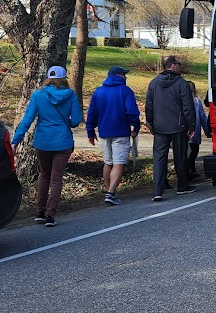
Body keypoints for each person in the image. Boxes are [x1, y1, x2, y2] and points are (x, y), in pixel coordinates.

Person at [12, 65, 83, 227]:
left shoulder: (38, 95)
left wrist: (16, 141)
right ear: (64, 78)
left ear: (47, 78)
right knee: (56, 178)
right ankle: (51, 215)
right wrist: (67, 121)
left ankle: (40, 212)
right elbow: (76, 121)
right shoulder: (70, 95)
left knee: (44, 175)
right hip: (63, 141)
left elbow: (27, 119)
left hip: (43, 142)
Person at [86, 65, 141, 206]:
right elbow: (132, 112)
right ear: (118, 75)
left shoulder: (99, 92)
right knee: (118, 163)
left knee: (108, 162)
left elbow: (92, 113)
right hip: (121, 131)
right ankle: (111, 193)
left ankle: (109, 190)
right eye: (124, 74)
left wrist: (90, 131)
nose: (126, 77)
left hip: (104, 132)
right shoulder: (125, 91)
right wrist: (135, 126)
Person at [145, 55, 196, 199]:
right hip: (178, 125)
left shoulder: (154, 83)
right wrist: (191, 125)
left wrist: (151, 122)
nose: (180, 66)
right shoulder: (181, 83)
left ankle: (158, 190)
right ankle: (182, 185)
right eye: (179, 64)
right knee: (180, 156)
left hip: (160, 126)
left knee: (159, 158)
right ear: (173, 65)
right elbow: (188, 106)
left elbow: (149, 105)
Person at [186, 81, 212, 181]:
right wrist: (207, 130)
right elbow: (202, 117)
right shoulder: (196, 101)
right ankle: (191, 170)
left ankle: (190, 170)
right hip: (194, 132)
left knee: (187, 153)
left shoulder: (180, 101)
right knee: (193, 152)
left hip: (184, 132)